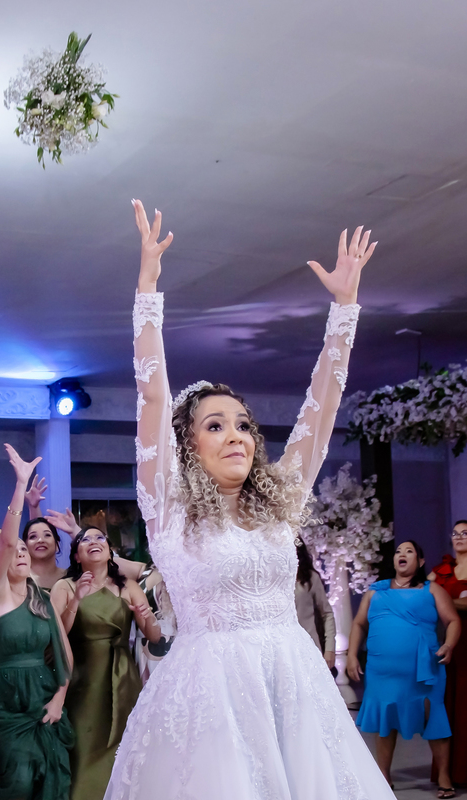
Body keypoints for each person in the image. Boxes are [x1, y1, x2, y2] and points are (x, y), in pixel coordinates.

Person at [104, 200, 392, 799]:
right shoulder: (169, 508)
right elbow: (153, 398)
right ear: (186, 445)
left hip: (294, 686)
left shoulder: (276, 505)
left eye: (241, 424)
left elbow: (321, 410)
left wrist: (344, 312)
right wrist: (148, 290)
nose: (234, 434)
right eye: (213, 425)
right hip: (211, 699)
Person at [0, 444, 74, 800]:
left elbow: (64, 654)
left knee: (49, 774)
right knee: (20, 773)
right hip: (0, 701)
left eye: (25, 552)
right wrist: (20, 483)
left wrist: (60, 697)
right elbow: (8, 541)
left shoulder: (42, 599)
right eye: (16, 551)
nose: (22, 554)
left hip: (41, 695)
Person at [51, 528, 160, 800]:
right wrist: (77, 599)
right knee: (83, 754)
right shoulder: (64, 587)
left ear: (110, 551)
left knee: (125, 755)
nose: (93, 542)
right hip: (81, 680)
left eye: (100, 538)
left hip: (124, 678)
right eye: (85, 539)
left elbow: (154, 636)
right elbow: (56, 635)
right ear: (76, 556)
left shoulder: (129, 587)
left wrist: (147, 615)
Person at [349, 540, 460, 796]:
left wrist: (449, 645)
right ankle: (383, 776)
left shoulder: (431, 590)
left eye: (409, 551)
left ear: (420, 562)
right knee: (385, 719)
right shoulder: (375, 592)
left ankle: (443, 775)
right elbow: (358, 624)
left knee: (433, 716)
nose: (402, 554)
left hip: (423, 669)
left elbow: (452, 620)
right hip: (382, 670)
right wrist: (353, 655)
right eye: (399, 551)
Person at [433, 520, 467, 786]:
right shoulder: (442, 570)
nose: (459, 537)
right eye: (455, 533)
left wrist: (442, 599)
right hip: (449, 643)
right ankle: (450, 772)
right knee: (450, 703)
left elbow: (435, 599)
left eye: (465, 533)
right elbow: (420, 592)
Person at [295, 540, 336, 669]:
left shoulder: (310, 578)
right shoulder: (269, 579)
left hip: (308, 648)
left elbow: (327, 613)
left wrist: (330, 648)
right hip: (280, 650)